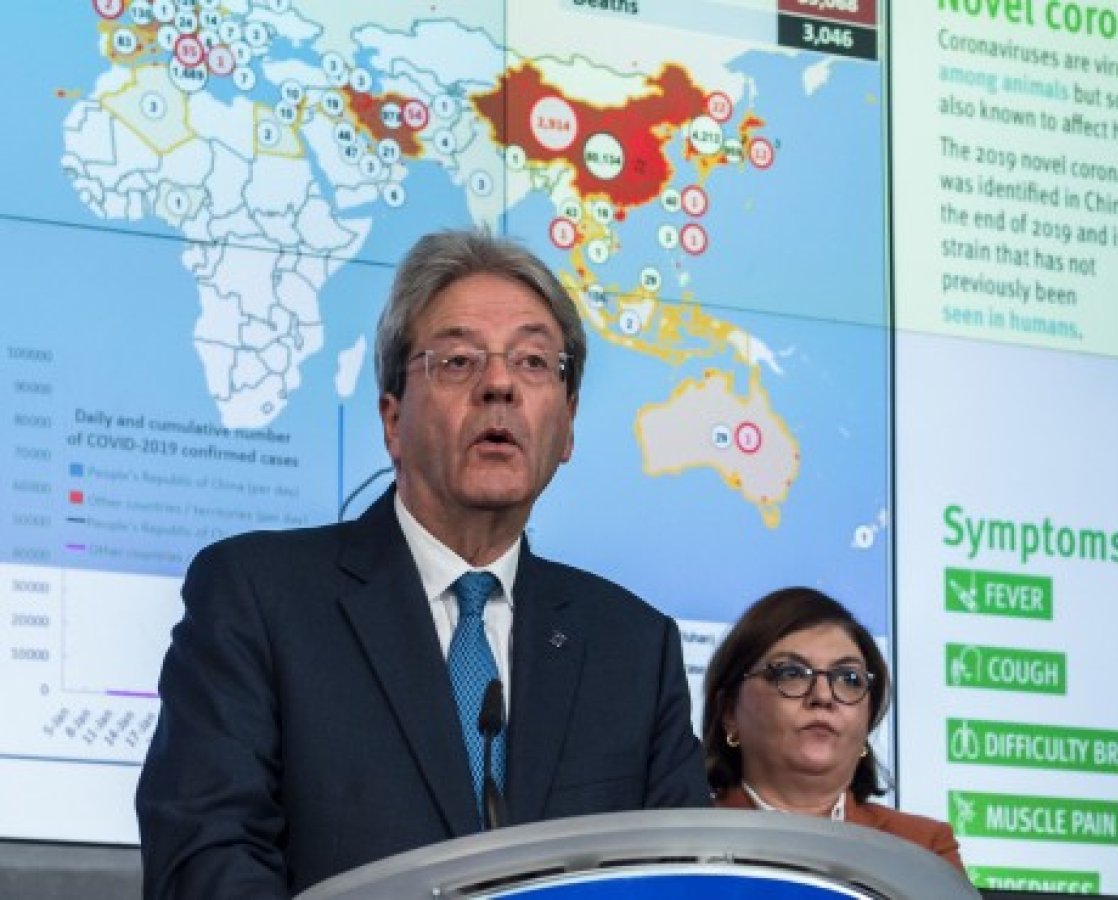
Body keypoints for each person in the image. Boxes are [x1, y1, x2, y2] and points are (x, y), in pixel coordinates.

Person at [136, 229, 709, 898]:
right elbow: (206, 859)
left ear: (569, 425)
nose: (500, 385)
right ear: (392, 420)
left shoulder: (632, 649)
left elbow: (685, 881)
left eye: (533, 362)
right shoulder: (259, 598)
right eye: (459, 361)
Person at [701, 587, 964, 870]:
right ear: (730, 711)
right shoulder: (687, 838)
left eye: (849, 678)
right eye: (791, 673)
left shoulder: (922, 847)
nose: (823, 696)